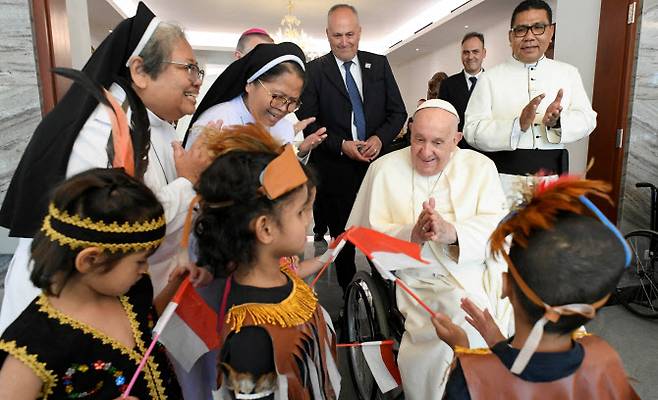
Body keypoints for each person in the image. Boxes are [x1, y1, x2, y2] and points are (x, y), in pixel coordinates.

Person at [0, 3, 211, 335]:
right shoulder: (105, 128)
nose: (197, 82)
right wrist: (188, 181)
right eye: (189, 68)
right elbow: (119, 226)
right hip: (62, 314)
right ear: (140, 71)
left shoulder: (153, 123)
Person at [347, 99, 511, 400]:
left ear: (457, 139)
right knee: (446, 334)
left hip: (476, 271)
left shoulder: (481, 168)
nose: (425, 151)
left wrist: (453, 234)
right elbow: (366, 239)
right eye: (418, 139)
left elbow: (497, 231)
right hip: (417, 279)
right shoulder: (383, 169)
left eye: (438, 142)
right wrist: (411, 234)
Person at [431, 178, 645, 400]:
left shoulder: (470, 380)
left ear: (505, 284)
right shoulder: (604, 357)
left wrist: (460, 352)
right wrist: (497, 342)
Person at [0, 168, 191, 400]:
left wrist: (175, 285)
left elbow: (143, 329)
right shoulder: (31, 347)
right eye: (139, 261)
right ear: (90, 260)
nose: (144, 269)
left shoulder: (129, 292)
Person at [192, 124, 342, 400]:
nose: (311, 220)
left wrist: (321, 399)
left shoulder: (283, 278)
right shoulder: (251, 336)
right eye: (302, 211)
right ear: (265, 229)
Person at [298, 4, 407, 293]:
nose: (344, 42)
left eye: (350, 34)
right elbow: (309, 123)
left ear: (360, 33)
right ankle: (348, 299)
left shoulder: (379, 65)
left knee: (381, 240)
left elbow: (398, 113)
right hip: (335, 173)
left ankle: (390, 297)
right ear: (327, 35)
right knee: (342, 242)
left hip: (377, 170)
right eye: (337, 36)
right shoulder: (314, 71)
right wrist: (341, 145)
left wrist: (379, 139)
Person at [463, 0, 597, 203]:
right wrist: (516, 126)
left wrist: (557, 123)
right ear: (510, 36)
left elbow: (588, 119)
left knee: (547, 235)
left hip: (552, 182)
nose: (529, 37)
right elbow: (471, 130)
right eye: (521, 30)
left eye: (538, 28)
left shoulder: (568, 73)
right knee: (502, 234)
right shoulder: (490, 78)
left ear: (551, 32)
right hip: (501, 182)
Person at [184, 41, 326, 160]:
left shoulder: (284, 127)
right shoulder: (216, 123)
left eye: (292, 101)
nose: (284, 108)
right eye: (277, 97)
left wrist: (300, 151)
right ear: (250, 84)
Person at [438, 32, 486, 150]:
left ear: (484, 53)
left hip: (488, 152)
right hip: (458, 150)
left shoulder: (494, 82)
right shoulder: (448, 85)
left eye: (475, 51)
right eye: (466, 52)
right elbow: (443, 120)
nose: (470, 57)